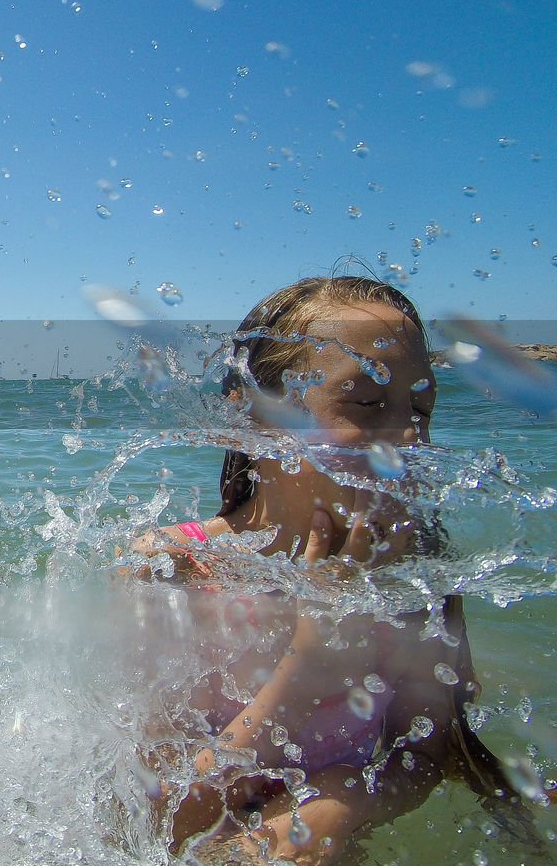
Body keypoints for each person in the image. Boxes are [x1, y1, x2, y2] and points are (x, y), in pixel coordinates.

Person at [134, 276, 528, 863]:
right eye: (367, 403)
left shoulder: (416, 576)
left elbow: (425, 751)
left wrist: (348, 800)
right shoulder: (173, 568)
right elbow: (146, 813)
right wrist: (310, 672)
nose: (408, 438)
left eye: (421, 408)